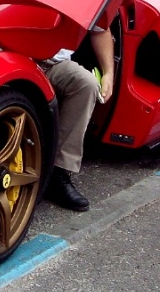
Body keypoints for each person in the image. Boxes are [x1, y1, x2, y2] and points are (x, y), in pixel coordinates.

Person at [41, 27, 116, 212]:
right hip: (12, 55)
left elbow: (101, 29)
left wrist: (108, 73)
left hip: (54, 64)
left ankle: (58, 172)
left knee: (86, 83)